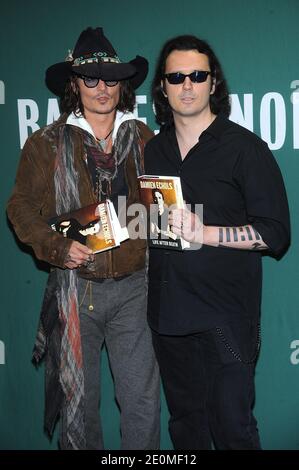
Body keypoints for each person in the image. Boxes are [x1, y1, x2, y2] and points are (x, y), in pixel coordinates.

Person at [7, 27, 160, 450]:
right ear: (74, 84)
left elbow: (164, 209)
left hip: (136, 288)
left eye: (111, 78)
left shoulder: (147, 139)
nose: (102, 88)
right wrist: (57, 247)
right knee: (79, 405)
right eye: (90, 78)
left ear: (123, 83)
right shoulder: (46, 144)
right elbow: (20, 208)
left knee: (143, 403)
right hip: (77, 291)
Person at [144, 34, 290, 450]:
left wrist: (203, 232)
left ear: (213, 84)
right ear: (162, 87)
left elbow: (276, 234)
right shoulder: (152, 151)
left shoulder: (245, 149)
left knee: (233, 431)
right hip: (169, 318)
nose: (186, 84)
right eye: (176, 76)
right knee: (186, 431)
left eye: (197, 75)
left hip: (226, 319)